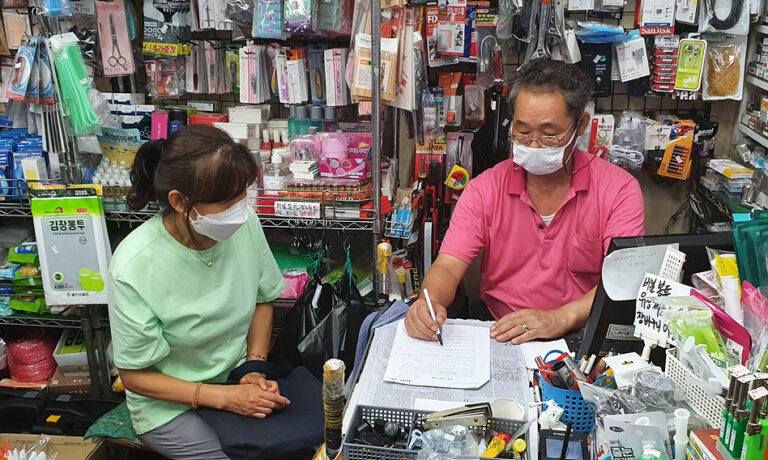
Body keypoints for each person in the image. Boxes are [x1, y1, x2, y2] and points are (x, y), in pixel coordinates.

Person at [405, 59, 645, 345]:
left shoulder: (619, 190)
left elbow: (623, 280)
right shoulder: (485, 189)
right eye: (523, 132)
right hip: (500, 330)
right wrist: (428, 304)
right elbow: (447, 265)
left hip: (579, 332)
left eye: (549, 135)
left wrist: (559, 318)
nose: (533, 146)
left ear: (580, 125)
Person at [108, 125, 290, 459]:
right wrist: (223, 397)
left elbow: (264, 298)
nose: (239, 211)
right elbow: (134, 376)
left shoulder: (244, 223)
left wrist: (253, 368)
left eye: (242, 197)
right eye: (225, 202)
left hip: (236, 377)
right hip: (167, 405)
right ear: (179, 201)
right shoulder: (134, 267)